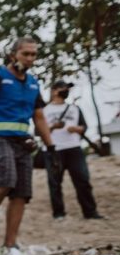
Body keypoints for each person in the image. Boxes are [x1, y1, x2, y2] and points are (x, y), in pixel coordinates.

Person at [0, 37, 57, 252]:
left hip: (23, 142)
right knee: (6, 180)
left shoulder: (33, 83)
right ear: (13, 54)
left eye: (34, 54)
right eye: (26, 54)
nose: (30, 58)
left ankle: (9, 245)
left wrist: (51, 147)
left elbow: (39, 117)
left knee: (22, 193)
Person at [42, 80, 103, 220]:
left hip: (74, 148)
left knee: (83, 181)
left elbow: (84, 127)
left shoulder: (74, 109)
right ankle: (58, 213)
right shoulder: (45, 110)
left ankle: (90, 212)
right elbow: (38, 132)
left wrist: (77, 129)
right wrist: (52, 127)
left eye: (67, 88)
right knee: (55, 183)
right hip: (53, 149)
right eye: (62, 88)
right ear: (54, 91)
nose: (66, 90)